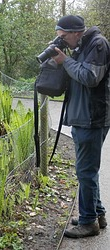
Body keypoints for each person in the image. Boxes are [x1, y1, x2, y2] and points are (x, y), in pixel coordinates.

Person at [52, 15, 110, 238]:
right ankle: (97, 214)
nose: (63, 41)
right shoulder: (81, 46)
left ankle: (88, 223)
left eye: (64, 37)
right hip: (82, 117)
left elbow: (89, 77)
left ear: (76, 32)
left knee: (85, 171)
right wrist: (62, 59)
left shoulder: (98, 44)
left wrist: (65, 61)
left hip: (92, 118)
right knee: (87, 171)